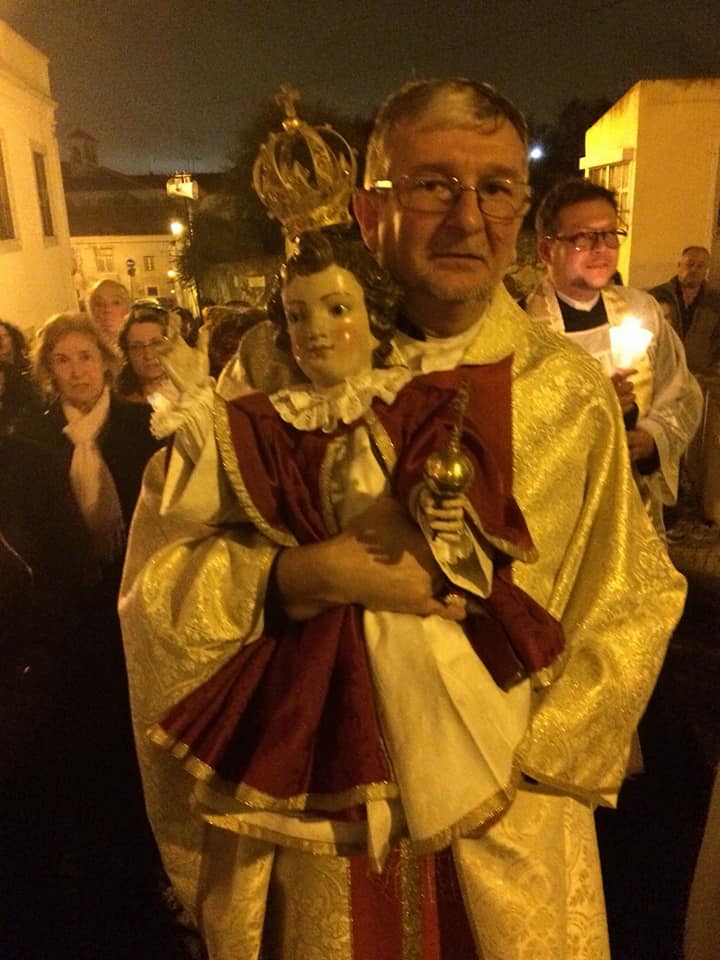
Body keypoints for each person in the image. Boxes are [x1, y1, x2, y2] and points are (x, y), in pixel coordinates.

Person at [121, 79, 686, 960]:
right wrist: (298, 577)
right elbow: (160, 584)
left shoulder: (566, 392)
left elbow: (635, 595)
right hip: (318, 833)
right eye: (432, 185)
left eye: (496, 188)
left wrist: (533, 762)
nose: (468, 217)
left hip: (509, 828)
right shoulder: (269, 376)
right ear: (368, 209)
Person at [23, 313, 172, 958]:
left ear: (107, 362)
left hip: (134, 598)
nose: (77, 370)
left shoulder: (144, 429)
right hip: (69, 612)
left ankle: (146, 847)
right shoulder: (29, 438)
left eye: (86, 356)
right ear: (47, 371)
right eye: (63, 360)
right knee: (83, 734)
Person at [525, 177, 702, 536]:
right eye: (583, 237)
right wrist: (594, 405)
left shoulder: (643, 310)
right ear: (546, 250)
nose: (601, 249)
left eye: (609, 235)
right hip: (557, 513)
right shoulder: (524, 327)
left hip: (632, 507)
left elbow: (681, 391)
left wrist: (652, 437)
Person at [650, 246, 720, 377]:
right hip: (661, 372)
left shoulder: (715, 302)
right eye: (690, 264)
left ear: (706, 270)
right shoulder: (656, 296)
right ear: (679, 265)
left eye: (700, 266)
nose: (694, 270)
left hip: (699, 376)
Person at [116, 299, 176, 404]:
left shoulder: (193, 394)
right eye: (137, 347)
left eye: (156, 343)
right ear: (127, 353)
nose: (148, 355)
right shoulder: (119, 403)